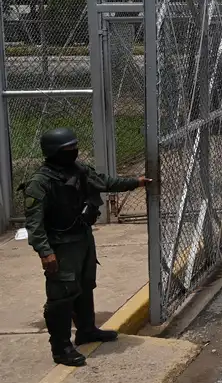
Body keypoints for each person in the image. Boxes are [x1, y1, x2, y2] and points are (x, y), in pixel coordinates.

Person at [21, 128, 149, 367]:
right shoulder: (40, 182)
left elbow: (104, 182)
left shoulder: (78, 170)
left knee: (85, 285)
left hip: (83, 239)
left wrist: (136, 182)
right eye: (68, 149)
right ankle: (61, 348)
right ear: (53, 152)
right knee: (61, 295)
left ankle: (86, 330)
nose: (74, 152)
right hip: (61, 246)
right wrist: (45, 252)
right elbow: (34, 224)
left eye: (74, 147)